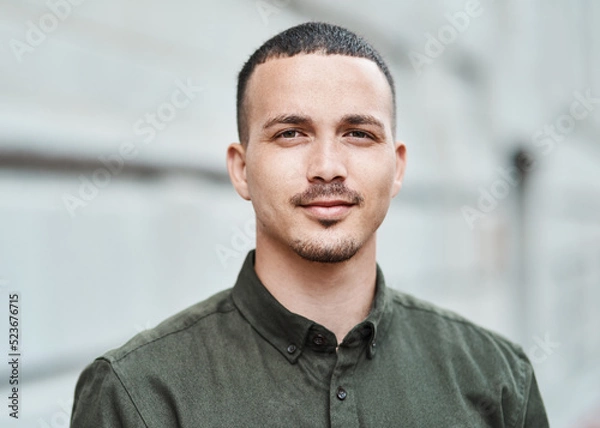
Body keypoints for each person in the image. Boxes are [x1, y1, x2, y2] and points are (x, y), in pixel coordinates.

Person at [70, 22, 549, 427]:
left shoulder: (497, 378)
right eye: (291, 133)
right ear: (241, 169)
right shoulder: (137, 394)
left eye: (358, 134)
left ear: (397, 167)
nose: (327, 167)